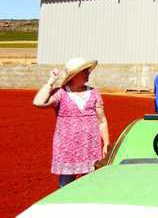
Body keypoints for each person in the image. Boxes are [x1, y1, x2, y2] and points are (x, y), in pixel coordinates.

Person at [33, 57, 109, 188]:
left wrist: (106, 143)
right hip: (67, 149)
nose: (88, 73)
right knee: (65, 187)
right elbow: (39, 102)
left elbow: (102, 121)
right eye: (84, 71)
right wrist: (50, 82)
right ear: (74, 74)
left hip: (90, 148)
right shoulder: (60, 94)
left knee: (90, 186)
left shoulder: (94, 93)